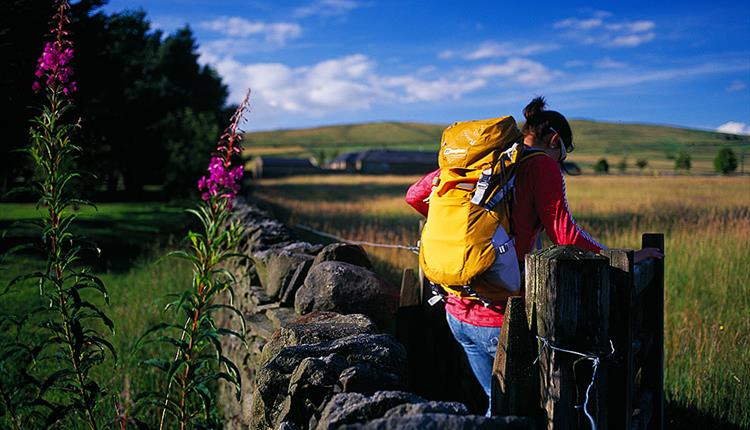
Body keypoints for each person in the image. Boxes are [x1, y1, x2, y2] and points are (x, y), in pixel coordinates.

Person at [406, 96, 663, 415]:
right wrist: (624, 257)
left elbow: (414, 196)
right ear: (555, 141)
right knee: (510, 410)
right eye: (563, 157)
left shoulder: (475, 164)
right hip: (501, 316)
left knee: (493, 399)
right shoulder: (540, 165)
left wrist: (458, 227)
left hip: (455, 310)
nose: (560, 165)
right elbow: (566, 235)